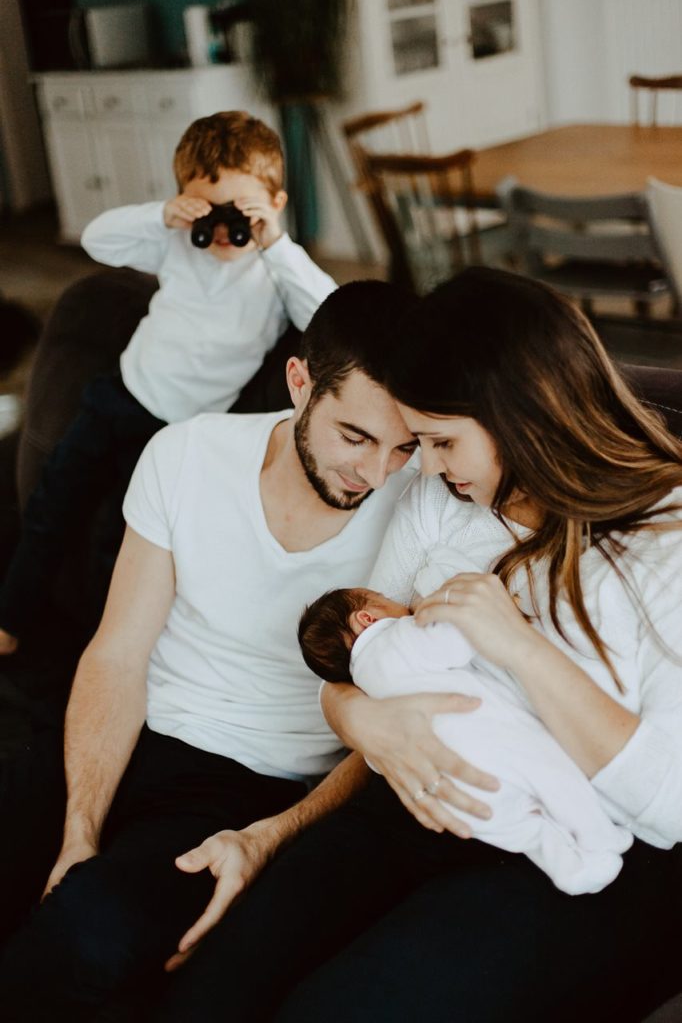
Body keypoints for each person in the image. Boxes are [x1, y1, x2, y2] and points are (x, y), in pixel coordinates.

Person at [148, 267, 682, 1023]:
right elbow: (361, 656)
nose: (423, 470)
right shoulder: (447, 503)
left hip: (570, 848)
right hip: (406, 806)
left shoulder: (664, 541)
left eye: (441, 442)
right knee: (212, 992)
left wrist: (521, 648)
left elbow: (672, 806)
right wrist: (363, 723)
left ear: (520, 415)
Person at [0, 281, 436, 1022]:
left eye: (404, 446)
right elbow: (117, 654)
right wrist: (79, 830)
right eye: (355, 437)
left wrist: (274, 836)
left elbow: (388, 727)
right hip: (121, 734)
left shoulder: (425, 511)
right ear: (300, 383)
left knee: (89, 933)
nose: (376, 473)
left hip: (246, 785)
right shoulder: (188, 454)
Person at [0, 110, 336, 655]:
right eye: (212, 212)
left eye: (240, 213)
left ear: (274, 206)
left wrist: (275, 244)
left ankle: (112, 643)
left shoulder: (275, 275)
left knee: (127, 533)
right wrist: (163, 216)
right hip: (117, 398)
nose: (225, 231)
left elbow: (329, 313)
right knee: (52, 504)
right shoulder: (176, 243)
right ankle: (11, 618)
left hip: (179, 434)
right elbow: (95, 241)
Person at [298, 584, 632, 895]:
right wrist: (486, 610)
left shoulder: (364, 687)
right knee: (555, 779)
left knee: (525, 830)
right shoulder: (396, 638)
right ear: (367, 618)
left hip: (447, 794)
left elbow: (378, 757)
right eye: (385, 598)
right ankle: (600, 837)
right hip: (493, 746)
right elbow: (457, 639)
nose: (401, 604)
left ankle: (570, 868)